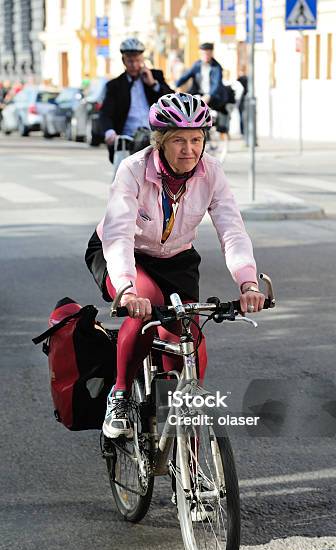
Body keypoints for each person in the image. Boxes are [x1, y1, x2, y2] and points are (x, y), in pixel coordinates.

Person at [85, 93, 265, 439]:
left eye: (196, 139)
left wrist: (248, 283)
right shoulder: (133, 170)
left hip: (176, 258)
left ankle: (187, 442)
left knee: (187, 339)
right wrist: (126, 288)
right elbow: (119, 233)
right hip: (124, 253)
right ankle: (120, 394)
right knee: (148, 312)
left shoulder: (211, 172)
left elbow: (232, 230)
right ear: (160, 143)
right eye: (179, 140)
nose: (189, 149)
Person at [99, 38, 173, 163]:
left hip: (154, 137)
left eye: (137, 60)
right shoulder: (114, 85)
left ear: (143, 60)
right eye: (130, 61)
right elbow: (105, 113)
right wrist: (110, 132)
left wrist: (153, 84)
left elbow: (170, 100)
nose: (134, 65)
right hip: (128, 139)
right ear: (124, 61)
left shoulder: (155, 76)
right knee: (123, 177)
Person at [175, 43, 227, 112]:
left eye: (207, 54)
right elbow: (186, 76)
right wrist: (176, 84)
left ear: (211, 53)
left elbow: (216, 84)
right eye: (203, 54)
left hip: (212, 97)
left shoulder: (217, 67)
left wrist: (209, 96)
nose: (205, 56)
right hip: (198, 94)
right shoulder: (197, 65)